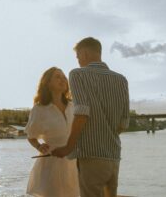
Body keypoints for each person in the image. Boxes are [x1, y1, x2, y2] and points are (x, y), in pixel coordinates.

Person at [52, 37, 130, 197]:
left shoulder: (78, 74)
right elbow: (124, 123)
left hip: (91, 157)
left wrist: (68, 148)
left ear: (85, 53)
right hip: (114, 156)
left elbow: (82, 112)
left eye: (78, 56)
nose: (79, 61)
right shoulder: (121, 80)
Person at [25, 67, 80, 197]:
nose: (63, 80)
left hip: (74, 163)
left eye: (64, 77)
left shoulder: (74, 106)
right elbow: (31, 135)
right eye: (57, 77)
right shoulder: (40, 109)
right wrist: (39, 146)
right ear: (47, 83)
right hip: (51, 163)